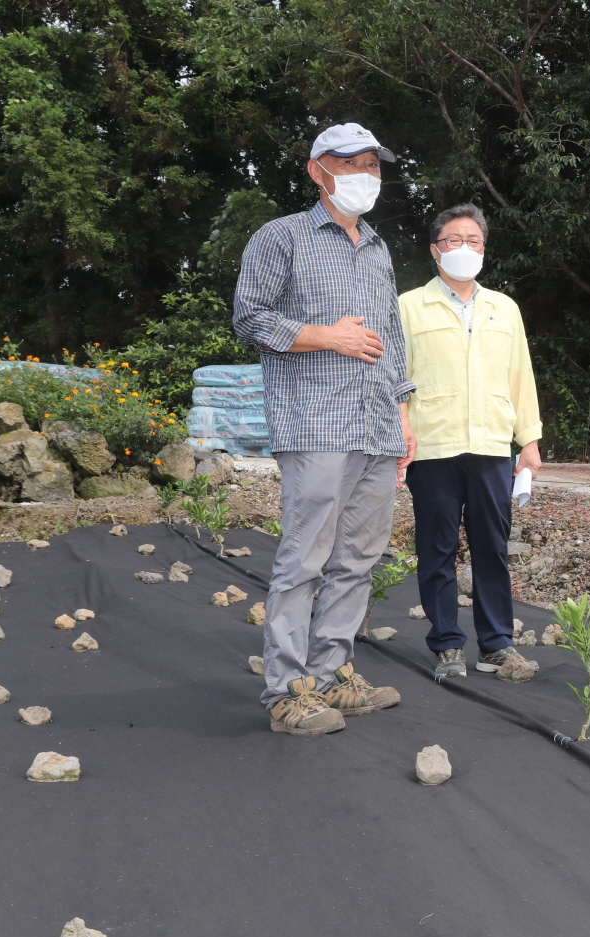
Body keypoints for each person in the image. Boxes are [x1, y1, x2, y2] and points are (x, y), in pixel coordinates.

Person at [233, 122, 416, 736]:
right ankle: (287, 691)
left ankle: (333, 675)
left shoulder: (377, 246)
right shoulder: (279, 236)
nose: (367, 175)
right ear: (318, 171)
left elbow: (390, 334)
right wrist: (324, 336)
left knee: (359, 556)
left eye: (374, 165)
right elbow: (250, 316)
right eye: (352, 164)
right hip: (315, 421)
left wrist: (404, 411)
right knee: (304, 558)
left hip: (376, 423)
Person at [398, 204, 543, 682]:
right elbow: (397, 378)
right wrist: (402, 427)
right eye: (454, 240)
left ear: (484, 248)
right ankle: (446, 644)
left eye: (474, 241)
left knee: (492, 548)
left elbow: (520, 376)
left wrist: (529, 441)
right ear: (435, 250)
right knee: (437, 547)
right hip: (433, 446)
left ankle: (497, 644)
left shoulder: (505, 308)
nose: (465, 249)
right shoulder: (408, 306)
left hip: (490, 446)